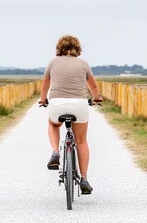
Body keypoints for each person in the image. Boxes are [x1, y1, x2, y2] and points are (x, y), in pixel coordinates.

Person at [38, 35, 103, 194]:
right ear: (77, 49)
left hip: (57, 104)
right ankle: (85, 179)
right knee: (81, 141)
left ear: (60, 48)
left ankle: (55, 152)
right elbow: (93, 85)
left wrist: (43, 100)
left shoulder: (53, 63)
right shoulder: (83, 64)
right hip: (79, 105)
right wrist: (97, 98)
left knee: (53, 124)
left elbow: (45, 86)